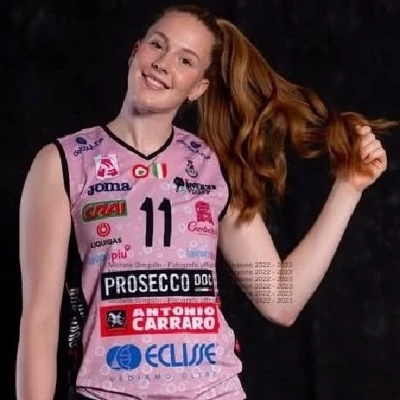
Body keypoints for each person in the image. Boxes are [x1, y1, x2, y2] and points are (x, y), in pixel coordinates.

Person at [16, 4, 397, 400]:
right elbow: (40, 320)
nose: (163, 63)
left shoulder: (210, 167)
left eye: (185, 60)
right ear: (135, 51)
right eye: (157, 45)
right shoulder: (65, 161)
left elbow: (280, 299)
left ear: (198, 87)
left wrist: (349, 188)